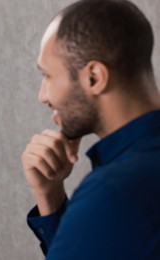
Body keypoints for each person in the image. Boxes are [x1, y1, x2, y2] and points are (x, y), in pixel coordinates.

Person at [21, 0, 160, 258]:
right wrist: (49, 194)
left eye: (47, 76)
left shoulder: (113, 192)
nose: (43, 96)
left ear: (94, 77)